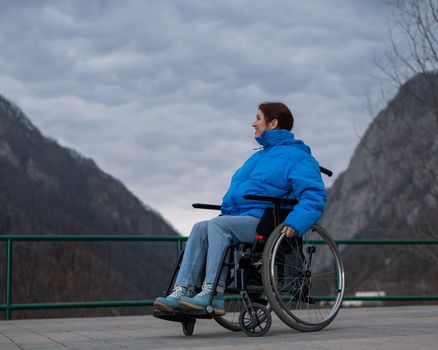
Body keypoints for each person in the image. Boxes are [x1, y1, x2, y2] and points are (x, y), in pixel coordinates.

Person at [154, 102, 326, 316]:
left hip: (266, 222)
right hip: (239, 218)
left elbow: (314, 196)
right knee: (200, 227)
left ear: (273, 123)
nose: (253, 123)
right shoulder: (257, 157)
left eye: (258, 118)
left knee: (218, 225)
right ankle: (182, 291)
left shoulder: (299, 157)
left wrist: (297, 221)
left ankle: (212, 293)